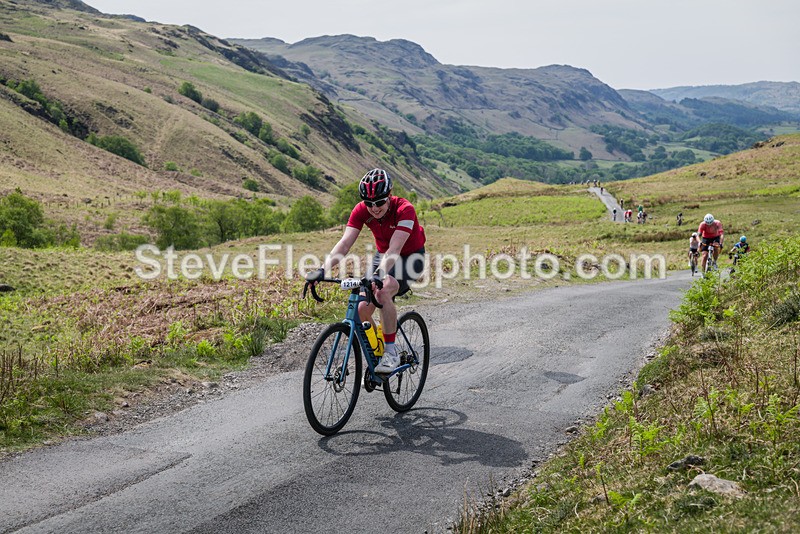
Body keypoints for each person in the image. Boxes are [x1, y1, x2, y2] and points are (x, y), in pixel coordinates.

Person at [306, 169, 426, 374]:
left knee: (383, 290)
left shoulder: (405, 209)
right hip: (383, 255)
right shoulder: (361, 210)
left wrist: (379, 275)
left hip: (410, 257)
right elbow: (344, 244)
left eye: (379, 202)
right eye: (369, 203)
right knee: (362, 308)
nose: (374, 208)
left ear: (389, 195)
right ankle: (377, 350)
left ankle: (391, 353)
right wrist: (322, 270)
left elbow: (395, 250)